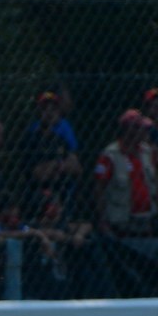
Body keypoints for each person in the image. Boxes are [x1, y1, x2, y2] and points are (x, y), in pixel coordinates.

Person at [93, 108, 158, 296]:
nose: (145, 133)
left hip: (146, 223)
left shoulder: (147, 152)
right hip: (122, 225)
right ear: (129, 130)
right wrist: (103, 220)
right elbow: (99, 188)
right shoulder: (110, 155)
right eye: (140, 129)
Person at [18, 90, 81, 219]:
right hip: (38, 196)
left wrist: (53, 167)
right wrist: (60, 165)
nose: (50, 112)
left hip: (61, 193)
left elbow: (77, 168)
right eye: (45, 109)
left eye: (54, 108)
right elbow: (39, 174)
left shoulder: (59, 139)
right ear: (39, 112)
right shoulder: (30, 139)